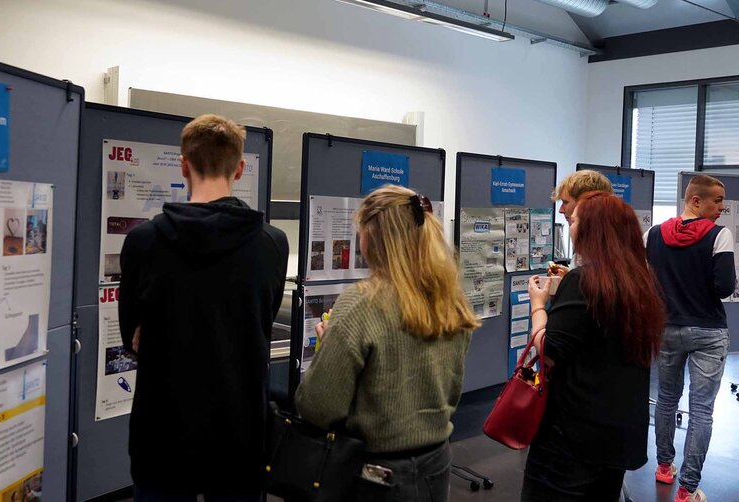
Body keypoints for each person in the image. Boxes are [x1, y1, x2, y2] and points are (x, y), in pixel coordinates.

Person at [118, 114, 289, 502]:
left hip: (161, 435)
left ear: (183, 164)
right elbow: (263, 318)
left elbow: (133, 337)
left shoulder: (142, 243)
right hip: (240, 434)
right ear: (240, 168)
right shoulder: (273, 244)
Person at [295, 185, 479, 501]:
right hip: (437, 463)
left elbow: (318, 407)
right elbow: (449, 389)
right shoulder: (452, 300)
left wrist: (329, 348)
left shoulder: (360, 304)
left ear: (374, 238)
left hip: (375, 476)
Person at [522, 192, 665, 501]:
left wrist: (538, 306)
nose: (569, 225)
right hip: (619, 434)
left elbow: (549, 350)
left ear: (591, 230)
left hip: (572, 434)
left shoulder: (583, 281)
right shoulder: (642, 282)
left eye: (573, 220)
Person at [644, 174, 735, 502]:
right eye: (717, 202)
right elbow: (725, 287)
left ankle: (664, 468)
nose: (721, 209)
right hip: (708, 331)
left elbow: (646, 280)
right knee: (701, 410)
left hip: (666, 327)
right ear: (695, 200)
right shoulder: (718, 236)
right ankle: (687, 489)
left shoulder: (652, 235)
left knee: (667, 399)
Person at [548, 170, 612, 277]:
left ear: (585, 203)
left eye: (565, 202)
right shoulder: (590, 242)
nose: (561, 210)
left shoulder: (602, 247)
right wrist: (569, 277)